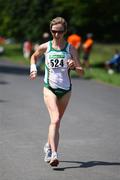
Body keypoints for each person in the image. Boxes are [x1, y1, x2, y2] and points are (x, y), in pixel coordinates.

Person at [30, 17, 84, 167]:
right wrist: (33, 69)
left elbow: (81, 72)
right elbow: (34, 56)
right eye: (54, 31)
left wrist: (74, 66)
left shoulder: (70, 49)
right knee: (55, 120)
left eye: (60, 31)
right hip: (50, 88)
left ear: (65, 31)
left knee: (57, 122)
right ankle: (54, 154)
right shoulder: (45, 47)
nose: (56, 34)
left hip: (66, 90)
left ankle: (48, 146)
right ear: (51, 31)